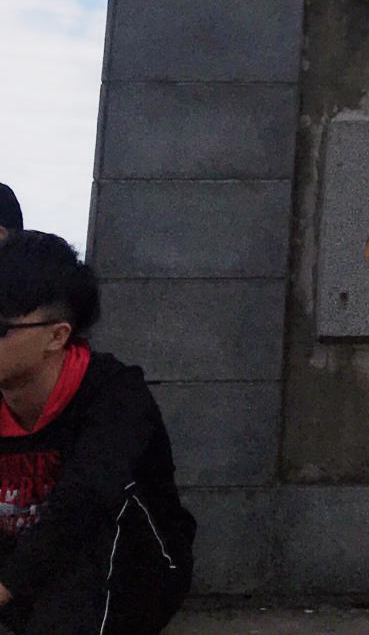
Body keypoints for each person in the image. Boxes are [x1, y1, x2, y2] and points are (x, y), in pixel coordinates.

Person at [0, 231, 195, 634]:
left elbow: (86, 500)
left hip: (131, 572)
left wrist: (5, 586)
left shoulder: (114, 394)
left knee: (99, 517)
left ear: (57, 335)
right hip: (25, 569)